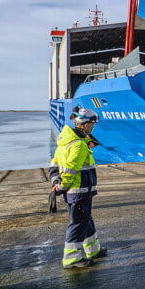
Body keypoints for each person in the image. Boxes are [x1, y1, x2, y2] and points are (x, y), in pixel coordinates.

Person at [48, 106, 105, 269]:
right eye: (92, 124)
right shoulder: (79, 145)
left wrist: (56, 183)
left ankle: (93, 250)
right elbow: (70, 170)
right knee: (78, 223)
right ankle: (71, 259)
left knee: (86, 219)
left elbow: (55, 164)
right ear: (85, 125)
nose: (93, 127)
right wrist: (61, 187)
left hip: (76, 192)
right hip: (79, 191)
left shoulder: (65, 141)